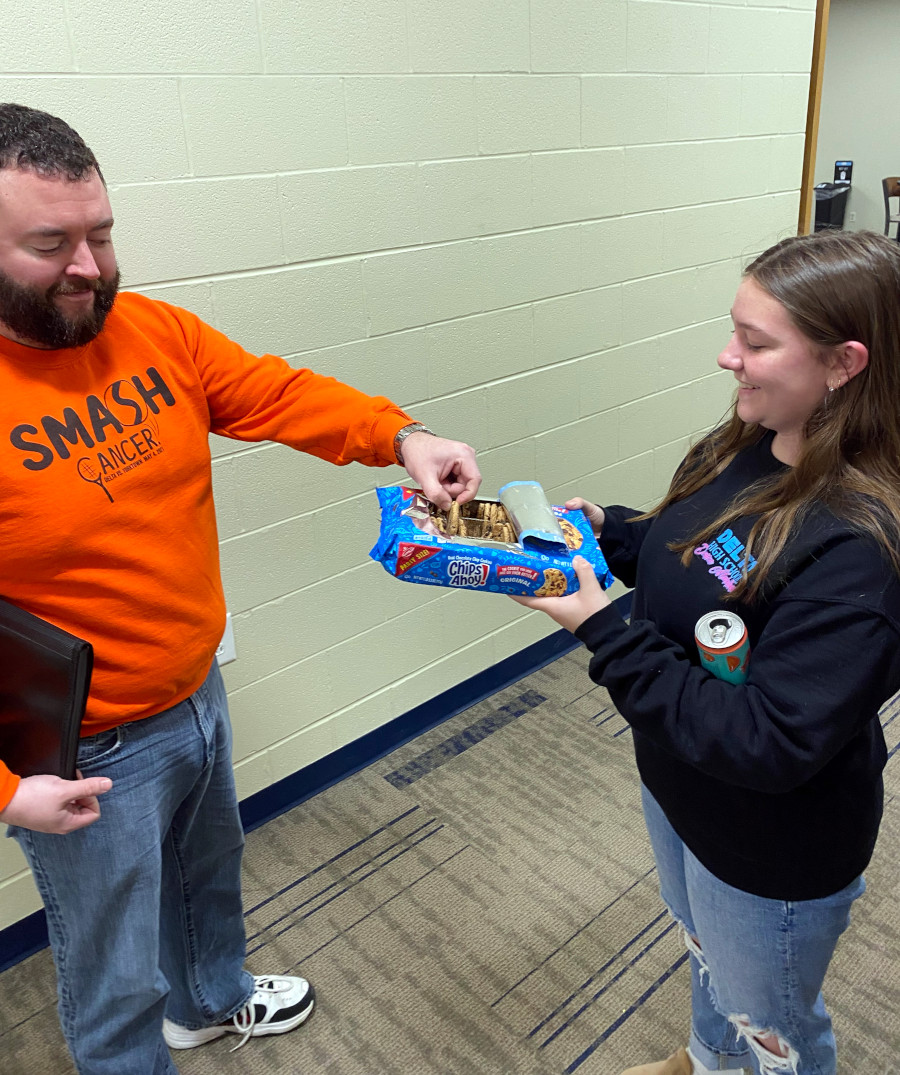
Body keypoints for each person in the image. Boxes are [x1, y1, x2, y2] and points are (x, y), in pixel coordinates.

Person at [0, 102, 480, 1075]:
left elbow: (275, 390)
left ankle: (212, 1002)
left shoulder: (151, 331)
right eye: (52, 244)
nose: (90, 265)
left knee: (208, 873)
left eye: (101, 233)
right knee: (112, 972)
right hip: (82, 748)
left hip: (196, 690)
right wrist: (11, 788)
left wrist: (401, 435)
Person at [515, 229, 900, 1075]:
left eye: (757, 343)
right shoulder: (748, 441)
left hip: (773, 838)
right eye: (735, 329)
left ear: (843, 363)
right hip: (682, 779)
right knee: (706, 954)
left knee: (775, 1023)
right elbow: (711, 555)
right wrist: (616, 535)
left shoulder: (861, 548)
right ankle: (705, 1058)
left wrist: (599, 627)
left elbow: (767, 739)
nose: (728, 357)